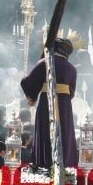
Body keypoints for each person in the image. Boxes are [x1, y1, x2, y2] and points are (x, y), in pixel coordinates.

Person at [21, 38, 78, 166]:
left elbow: (29, 82)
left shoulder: (44, 63)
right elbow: (72, 92)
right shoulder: (72, 69)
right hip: (64, 106)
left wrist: (28, 86)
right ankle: (64, 165)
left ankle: (44, 163)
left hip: (47, 102)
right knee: (64, 134)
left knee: (45, 132)